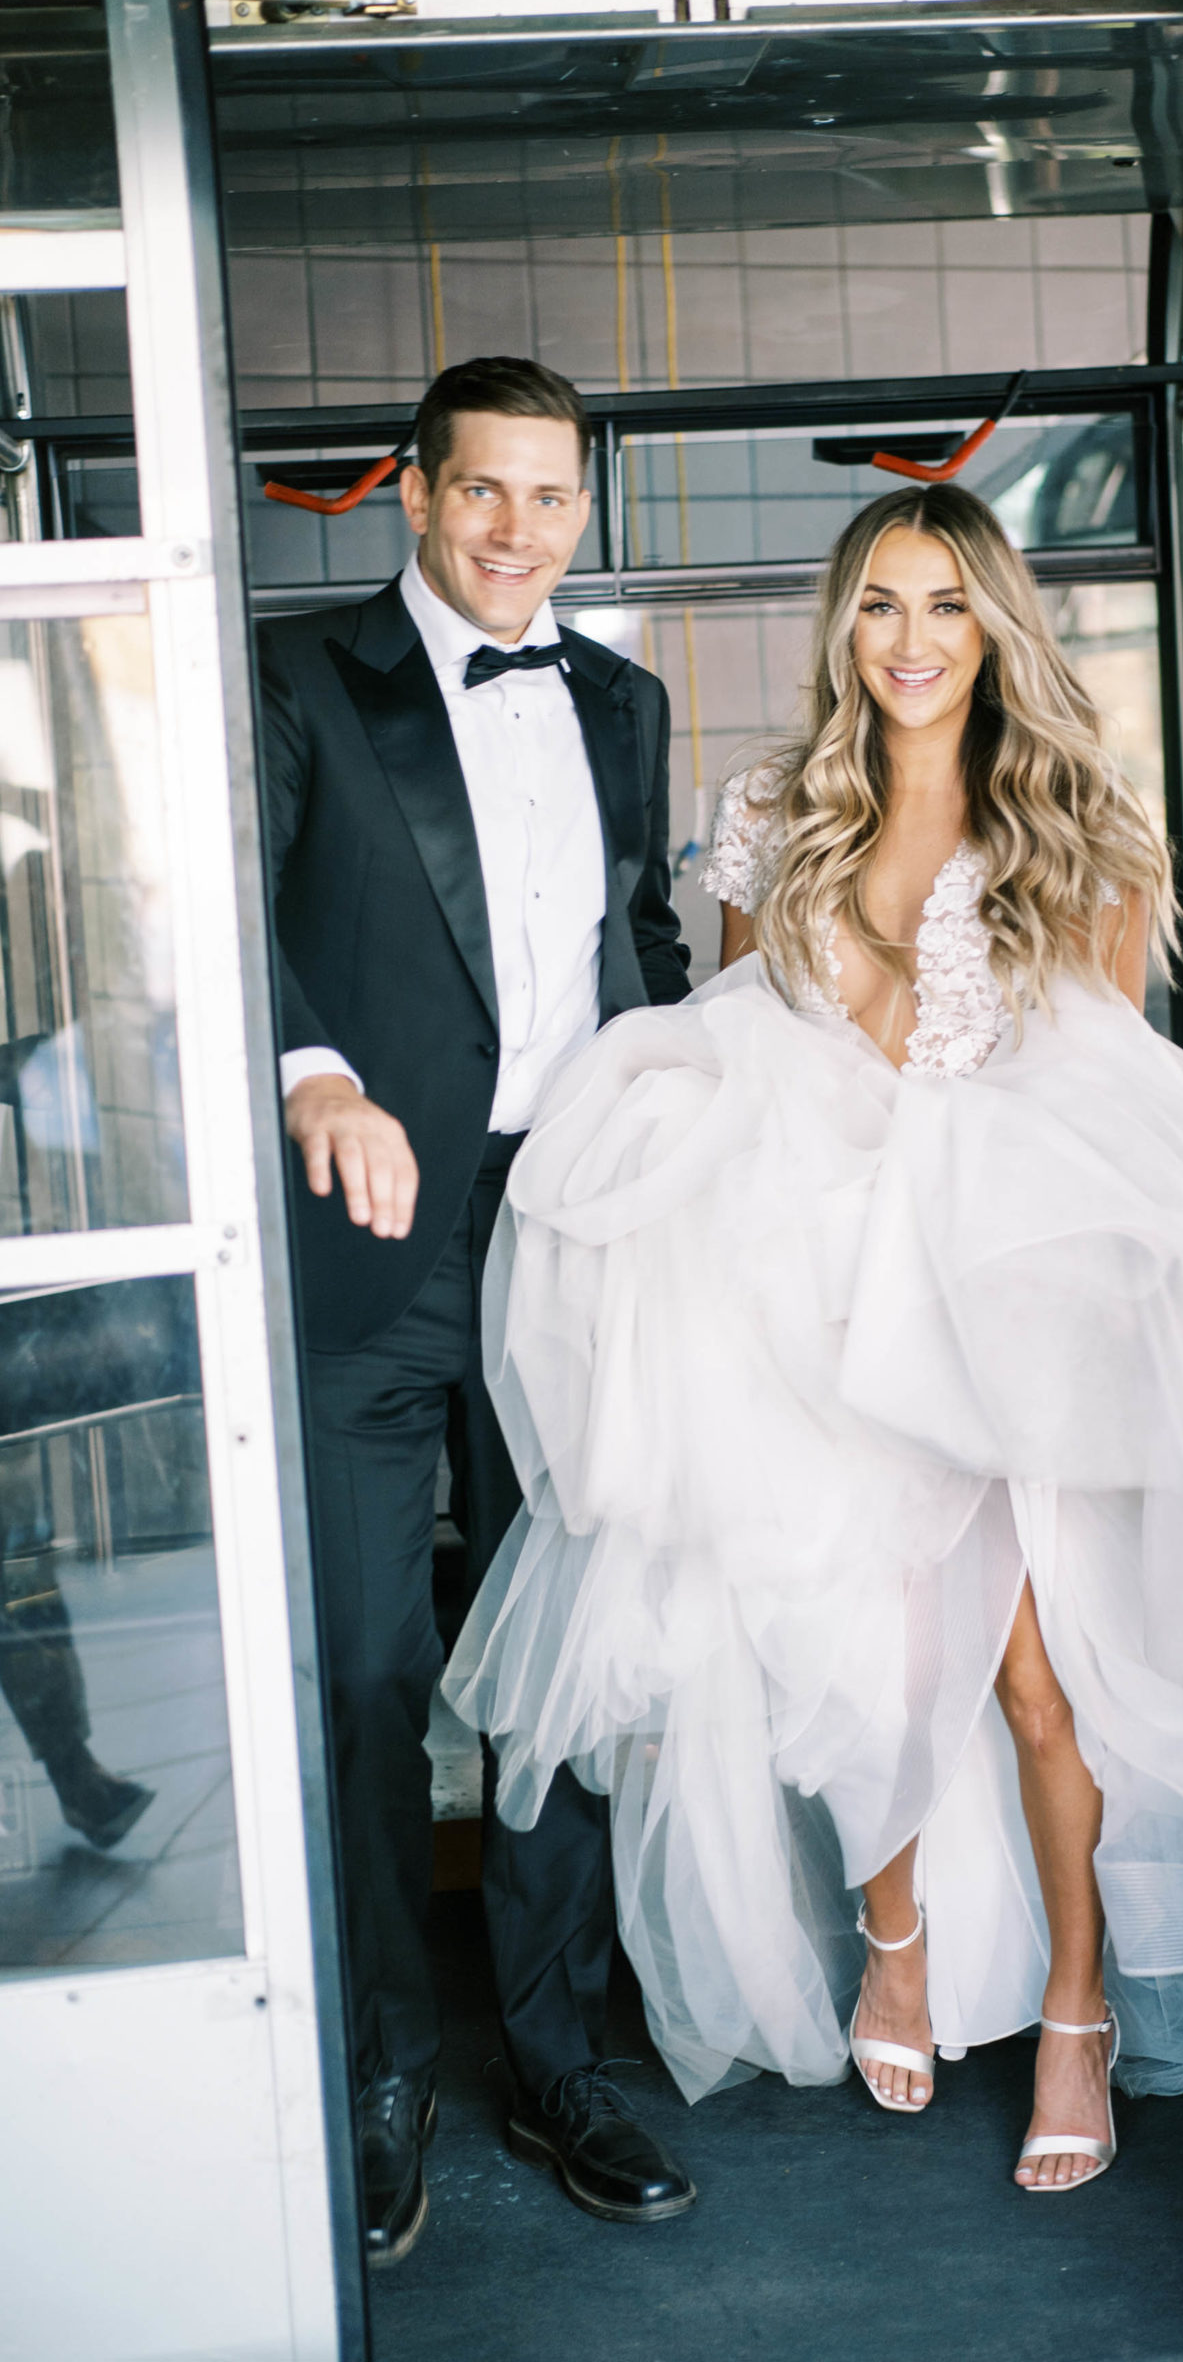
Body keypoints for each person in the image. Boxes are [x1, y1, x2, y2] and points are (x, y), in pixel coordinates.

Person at [447, 482, 1183, 2194]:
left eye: (941, 604)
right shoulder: (773, 812)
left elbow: (1099, 1093)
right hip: (816, 1304)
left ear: (992, 623)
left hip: (998, 1311)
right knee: (868, 1654)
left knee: (1039, 1682)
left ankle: (1077, 2008)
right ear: (842, 630)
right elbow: (727, 1048)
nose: (909, 642)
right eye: (876, 606)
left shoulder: (1076, 826)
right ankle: (897, 1939)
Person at [258, 357, 697, 2264]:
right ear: (413, 496)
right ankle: (374, 2069)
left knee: (568, 1657)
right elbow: (230, 916)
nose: (521, 531)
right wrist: (310, 1072)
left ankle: (557, 2055)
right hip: (367, 1235)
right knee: (364, 1671)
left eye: (552, 496)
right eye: (485, 493)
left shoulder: (622, 698)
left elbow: (642, 949)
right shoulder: (298, 676)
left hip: (575, 1229)